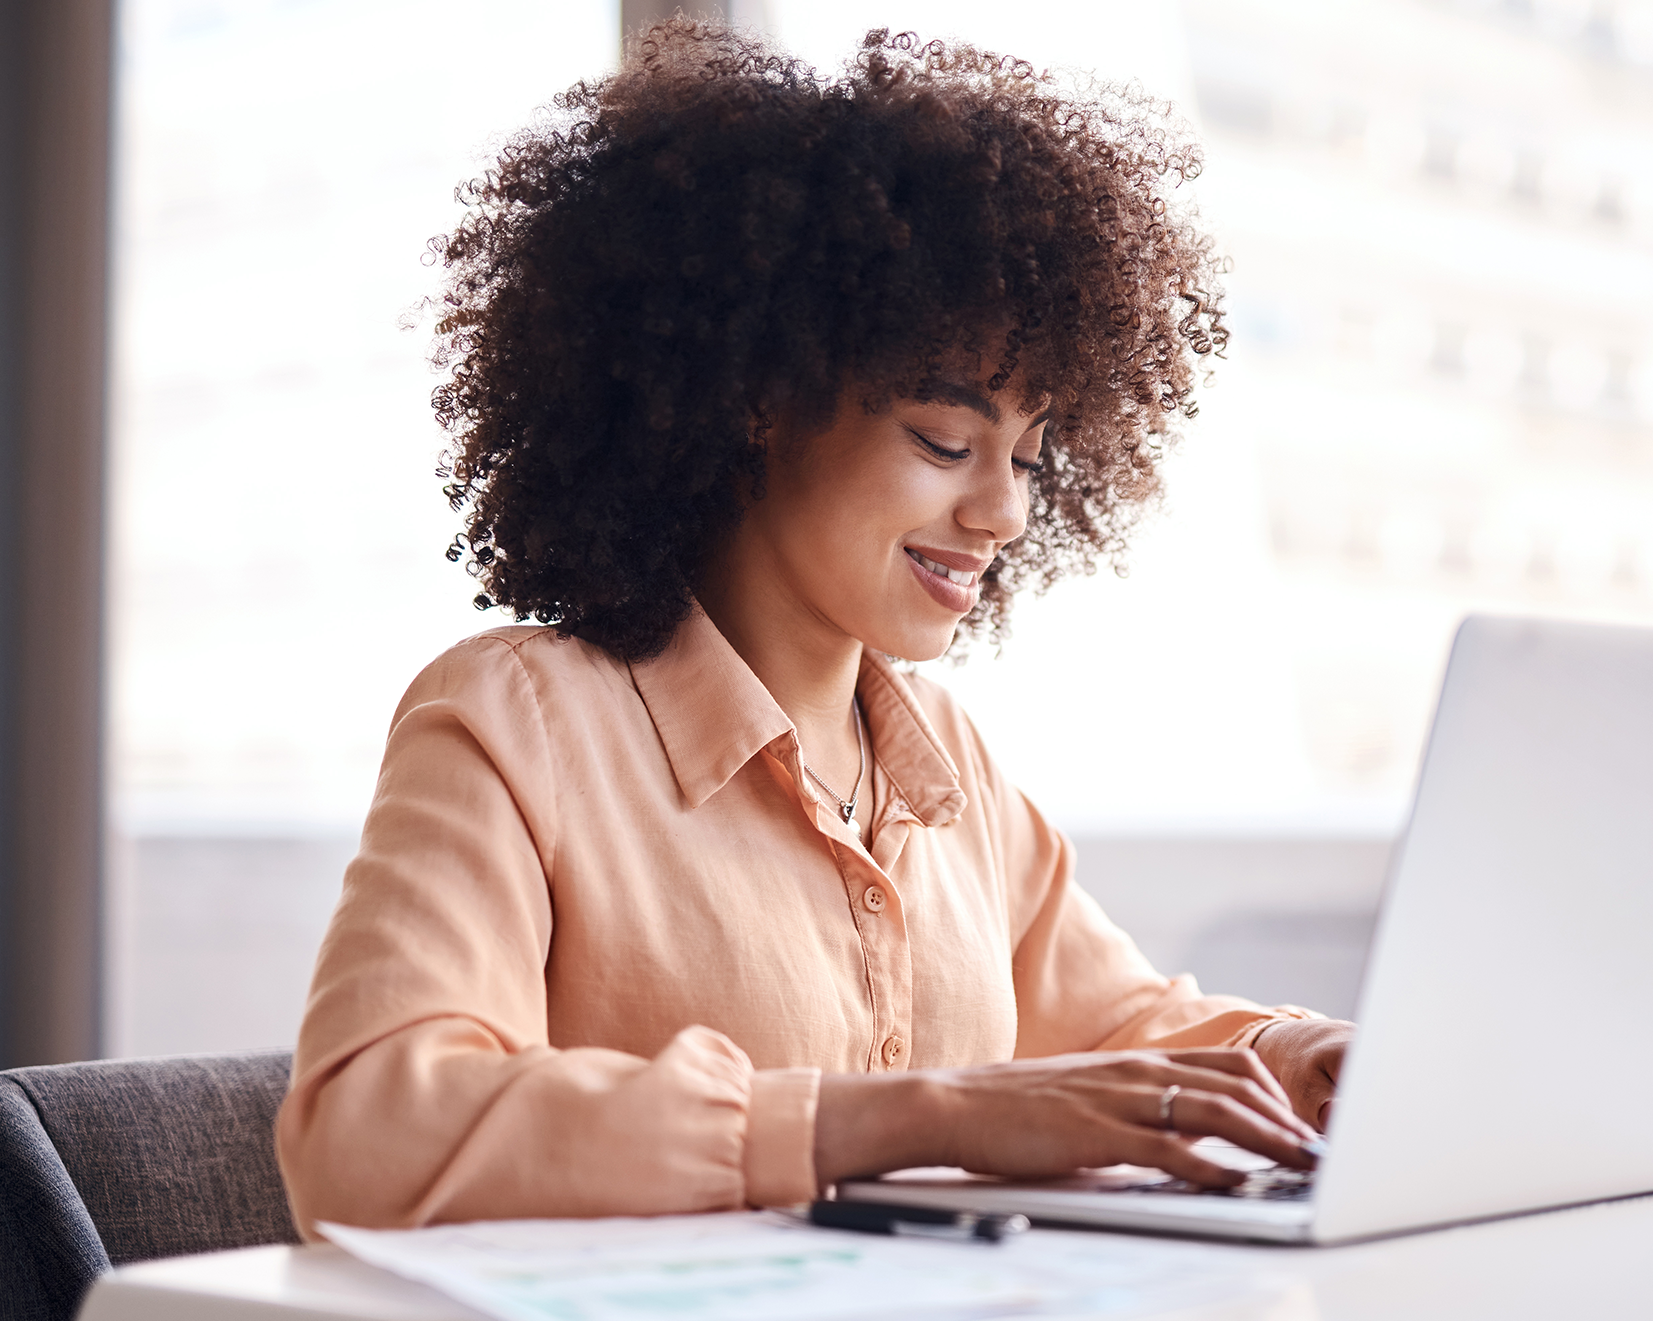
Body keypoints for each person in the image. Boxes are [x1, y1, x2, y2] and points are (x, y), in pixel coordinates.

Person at [275, 20, 1353, 1233]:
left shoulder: (945, 770)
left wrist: (1305, 1056)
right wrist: (910, 1117)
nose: (1000, 511)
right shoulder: (517, 726)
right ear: (755, 402)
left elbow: (1116, 1033)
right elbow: (365, 1134)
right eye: (944, 442)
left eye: (1032, 460)